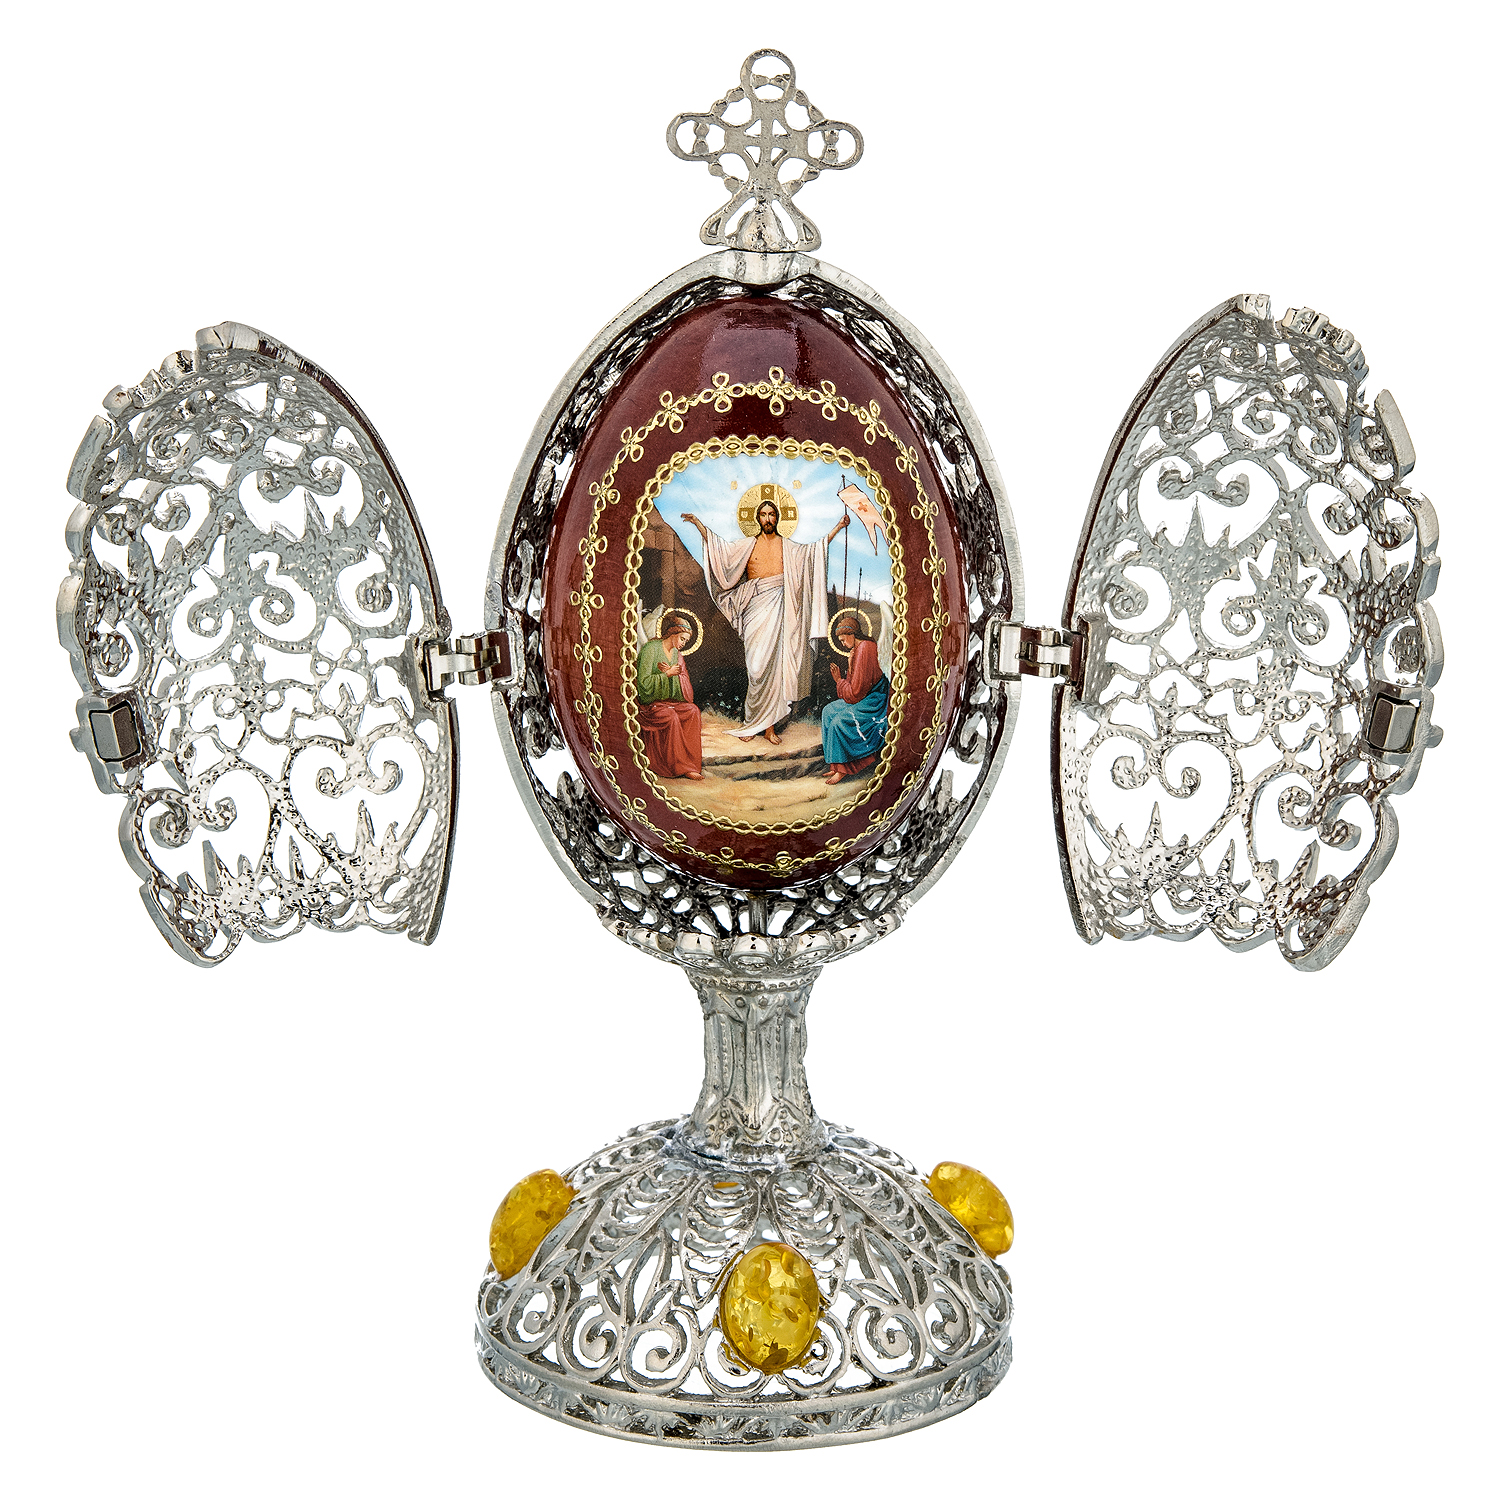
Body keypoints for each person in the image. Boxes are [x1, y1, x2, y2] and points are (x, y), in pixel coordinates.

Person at [680, 496, 849, 745]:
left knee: (776, 670)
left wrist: (838, 526)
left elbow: (814, 551)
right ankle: (752, 723)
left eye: (772, 514)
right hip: (755, 608)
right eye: (763, 514)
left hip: (780, 607)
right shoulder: (747, 545)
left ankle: (769, 729)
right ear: (757, 518)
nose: (768, 519)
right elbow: (720, 550)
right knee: (756, 667)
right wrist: (698, 524)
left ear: (777, 518)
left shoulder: (788, 547)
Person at [821, 614, 889, 784]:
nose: (843, 644)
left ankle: (844, 769)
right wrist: (850, 665)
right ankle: (835, 764)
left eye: (843, 640)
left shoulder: (866, 648)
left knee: (838, 722)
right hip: (863, 696)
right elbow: (854, 686)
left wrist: (838, 680)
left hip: (875, 700)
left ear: (852, 634)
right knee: (828, 711)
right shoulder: (857, 649)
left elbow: (856, 693)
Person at [636, 613, 703, 780]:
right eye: (682, 639)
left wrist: (677, 676)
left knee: (693, 711)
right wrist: (666, 675)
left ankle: (690, 765)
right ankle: (676, 766)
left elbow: (687, 695)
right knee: (670, 716)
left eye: (686, 641)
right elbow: (643, 684)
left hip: (669, 703)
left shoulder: (677, 656)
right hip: (649, 705)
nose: (683, 643)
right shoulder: (650, 649)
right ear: (673, 633)